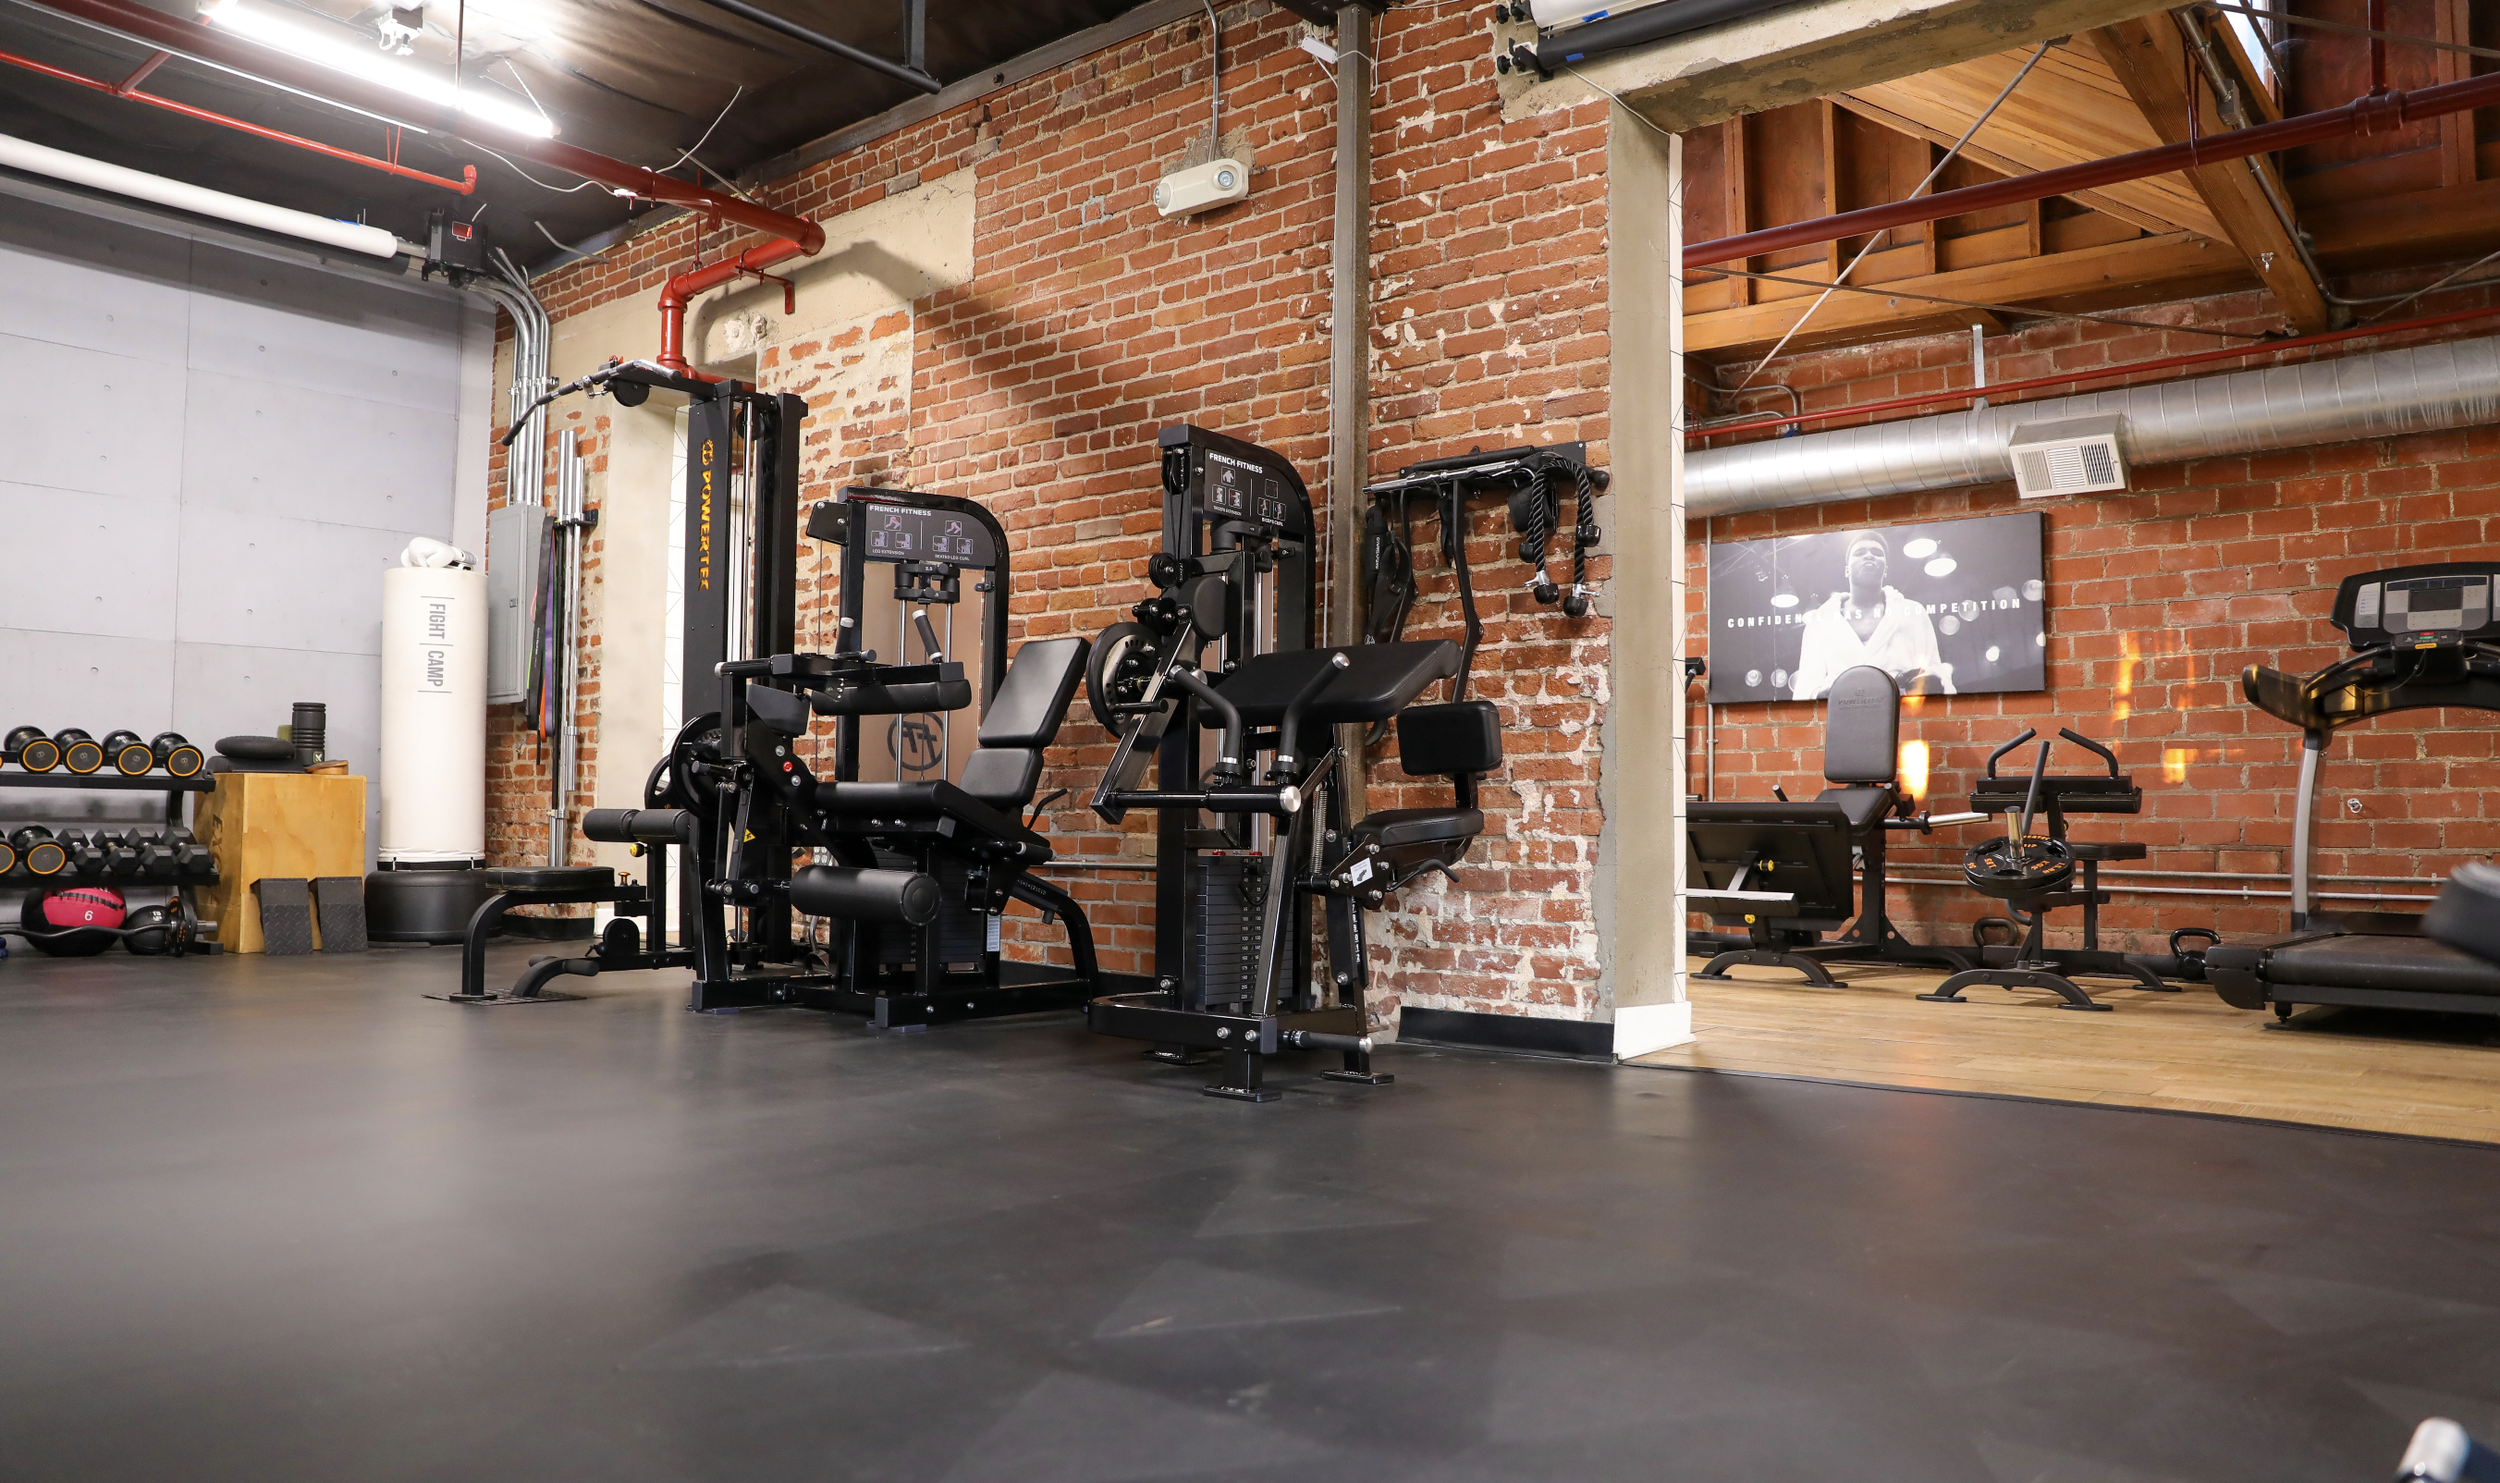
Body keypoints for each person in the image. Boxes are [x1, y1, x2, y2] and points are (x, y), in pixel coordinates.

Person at [1791, 530, 1952, 700]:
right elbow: (1806, 687)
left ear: (1886, 569)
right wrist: (1822, 694)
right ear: (1846, 569)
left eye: (1877, 553)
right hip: (1841, 713)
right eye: (1860, 553)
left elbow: (1936, 672)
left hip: (1900, 712)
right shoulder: (1820, 621)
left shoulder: (1912, 613)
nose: (1869, 556)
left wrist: (1927, 684)